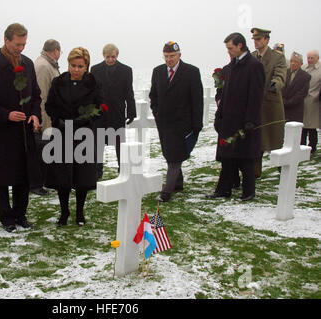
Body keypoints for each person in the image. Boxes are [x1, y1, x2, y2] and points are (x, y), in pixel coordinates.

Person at [0, 23, 41, 233]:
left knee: (24, 175)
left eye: (24, 44)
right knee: (4, 177)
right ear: (6, 40)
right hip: (2, 133)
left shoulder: (28, 64)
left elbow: (36, 95)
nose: (20, 48)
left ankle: (20, 214)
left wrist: (34, 114)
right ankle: (6, 218)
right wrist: (7, 115)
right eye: (17, 44)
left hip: (25, 132)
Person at [44, 47, 103, 226]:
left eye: (80, 66)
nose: (76, 70)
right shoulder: (58, 82)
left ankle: (79, 212)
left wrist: (81, 120)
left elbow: (98, 108)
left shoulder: (93, 83)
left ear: (86, 66)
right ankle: (64, 212)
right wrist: (58, 121)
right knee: (62, 177)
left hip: (83, 134)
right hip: (62, 134)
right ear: (68, 64)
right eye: (73, 65)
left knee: (82, 177)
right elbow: (50, 105)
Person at [207, 32, 265, 201]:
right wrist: (219, 116)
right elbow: (223, 95)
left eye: (230, 48)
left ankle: (249, 191)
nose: (229, 51)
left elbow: (256, 96)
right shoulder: (230, 67)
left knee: (245, 158)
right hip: (228, 121)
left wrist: (251, 120)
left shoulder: (254, 66)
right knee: (227, 158)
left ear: (240, 45)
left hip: (244, 121)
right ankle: (224, 189)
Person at [149, 41, 203, 202]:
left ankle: (167, 191)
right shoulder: (157, 72)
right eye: (166, 56)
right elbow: (154, 95)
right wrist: (157, 112)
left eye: (172, 56)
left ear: (179, 55)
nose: (169, 60)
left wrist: (197, 125)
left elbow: (197, 100)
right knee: (169, 154)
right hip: (164, 123)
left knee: (174, 158)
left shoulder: (191, 72)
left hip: (183, 124)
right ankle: (178, 182)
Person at [91, 44, 136, 179]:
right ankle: (97, 171)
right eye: (108, 57)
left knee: (119, 142)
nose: (110, 60)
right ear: (103, 55)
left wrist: (131, 111)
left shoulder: (126, 70)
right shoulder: (95, 69)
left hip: (117, 111)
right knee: (98, 143)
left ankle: (122, 169)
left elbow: (129, 92)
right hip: (100, 113)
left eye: (113, 57)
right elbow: (92, 92)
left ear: (117, 56)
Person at [251, 28, 287, 178]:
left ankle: (284, 169)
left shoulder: (277, 57)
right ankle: (255, 172)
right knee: (256, 142)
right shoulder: (252, 57)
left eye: (259, 39)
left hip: (270, 105)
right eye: (254, 39)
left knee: (276, 140)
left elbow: (280, 75)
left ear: (266, 40)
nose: (256, 42)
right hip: (255, 106)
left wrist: (275, 84)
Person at [32, 39, 61, 196]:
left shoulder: (49, 64)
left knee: (47, 151)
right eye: (59, 52)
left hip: (49, 116)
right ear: (55, 50)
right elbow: (42, 96)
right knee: (41, 153)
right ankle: (37, 184)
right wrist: (43, 121)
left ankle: (46, 181)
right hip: (44, 118)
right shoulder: (43, 66)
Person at [282, 52, 311, 123]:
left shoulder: (305, 76)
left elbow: (302, 93)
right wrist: (283, 101)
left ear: (301, 64)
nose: (293, 63)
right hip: (282, 109)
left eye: (296, 62)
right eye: (291, 61)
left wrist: (289, 103)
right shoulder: (284, 72)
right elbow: (280, 88)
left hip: (295, 111)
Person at [301, 50, 321, 154]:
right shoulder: (304, 68)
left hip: (314, 102)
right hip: (302, 101)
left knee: (312, 127)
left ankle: (312, 147)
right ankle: (302, 146)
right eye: (308, 58)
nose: (309, 60)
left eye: (311, 58)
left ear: (317, 58)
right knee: (303, 126)